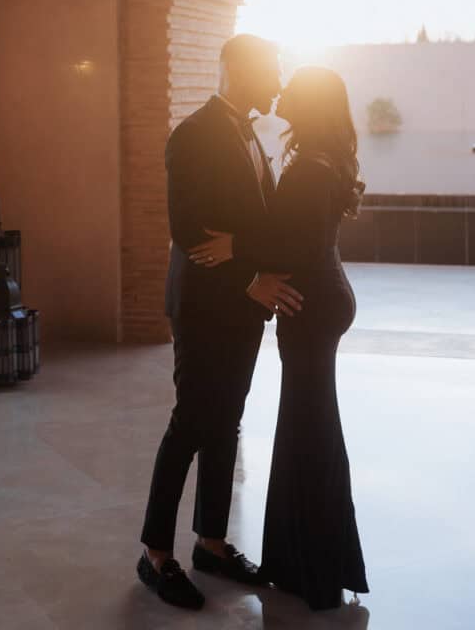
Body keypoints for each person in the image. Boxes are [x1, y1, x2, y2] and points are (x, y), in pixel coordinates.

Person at [190, 65, 370, 611]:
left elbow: (293, 244)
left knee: (308, 432)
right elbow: (296, 237)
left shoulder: (310, 170)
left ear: (310, 104)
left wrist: (235, 247)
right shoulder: (319, 160)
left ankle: (313, 569)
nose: (282, 91)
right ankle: (309, 562)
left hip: (310, 307)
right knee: (308, 429)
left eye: (293, 87)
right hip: (318, 302)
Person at [137, 34, 304, 611]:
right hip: (206, 308)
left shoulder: (250, 135)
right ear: (236, 71)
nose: (279, 82)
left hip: (242, 310)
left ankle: (211, 543)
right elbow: (190, 231)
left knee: (226, 422)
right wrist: (248, 280)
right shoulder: (194, 134)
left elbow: (246, 227)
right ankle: (155, 554)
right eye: (271, 70)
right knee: (190, 423)